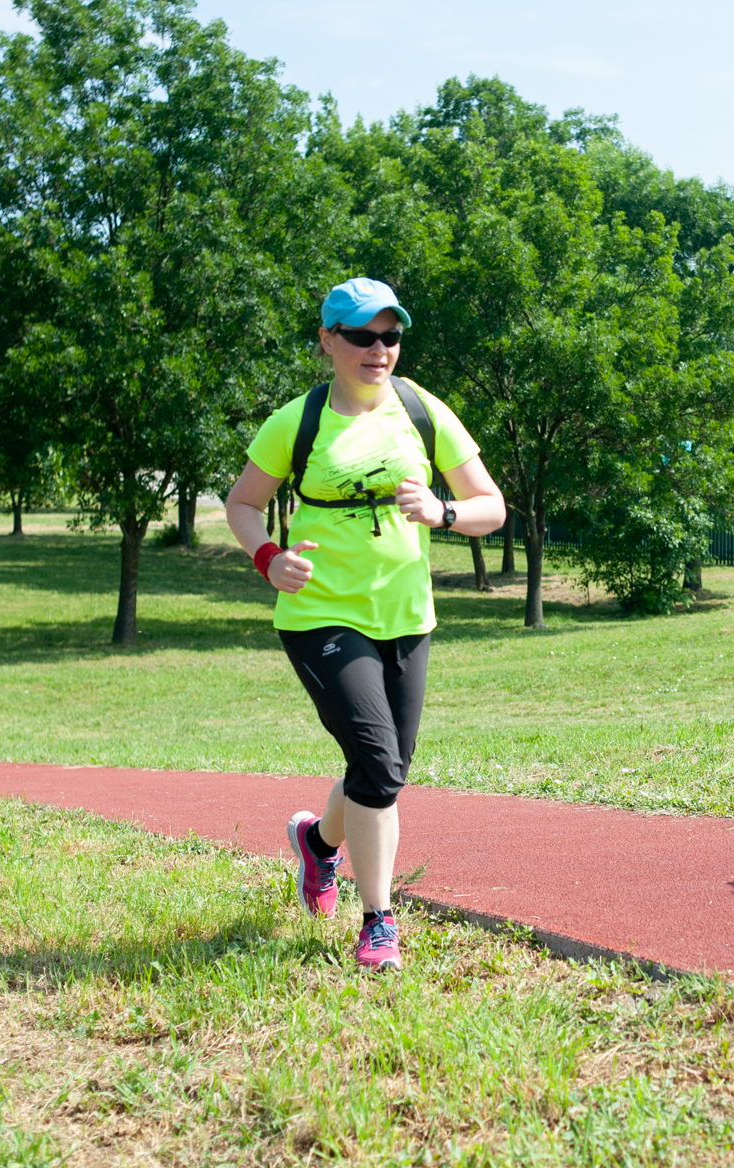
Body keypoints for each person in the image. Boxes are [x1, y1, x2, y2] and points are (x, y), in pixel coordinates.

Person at [226, 277, 505, 969]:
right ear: (327, 341)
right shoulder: (298, 420)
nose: (378, 349)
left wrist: (441, 512)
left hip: (406, 618)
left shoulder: (422, 410)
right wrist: (268, 557)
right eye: (361, 335)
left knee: (378, 769)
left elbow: (489, 506)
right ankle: (379, 921)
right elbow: (242, 503)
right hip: (321, 613)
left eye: (390, 336)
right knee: (379, 770)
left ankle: (318, 844)